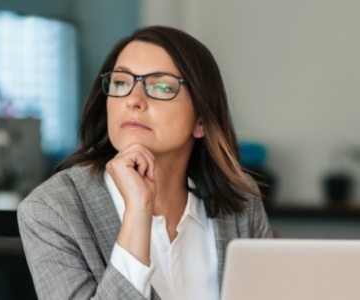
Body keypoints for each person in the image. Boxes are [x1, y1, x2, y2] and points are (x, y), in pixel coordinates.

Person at [17, 25, 273, 300]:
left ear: (201, 121)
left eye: (162, 87)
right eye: (121, 83)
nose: (133, 100)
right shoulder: (50, 210)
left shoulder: (241, 201)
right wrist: (138, 214)